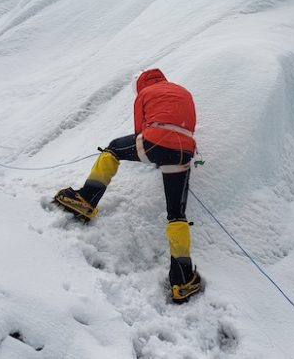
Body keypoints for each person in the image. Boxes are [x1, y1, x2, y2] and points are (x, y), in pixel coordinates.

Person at [54, 68, 203, 303]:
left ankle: (86, 200)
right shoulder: (183, 91)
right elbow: (189, 125)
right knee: (177, 214)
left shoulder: (145, 93)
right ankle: (182, 279)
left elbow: (140, 131)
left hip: (155, 141)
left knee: (113, 148)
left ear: (141, 84)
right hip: (184, 150)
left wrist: (154, 153)